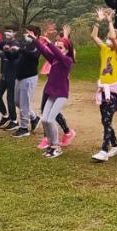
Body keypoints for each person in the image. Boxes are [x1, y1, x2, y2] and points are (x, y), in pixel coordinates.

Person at [89, 10, 117, 162]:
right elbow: (93, 36)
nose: (109, 40)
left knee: (107, 120)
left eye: (113, 39)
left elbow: (112, 36)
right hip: (102, 89)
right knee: (105, 120)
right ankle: (116, 146)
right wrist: (98, 21)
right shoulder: (105, 50)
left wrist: (110, 21)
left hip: (113, 90)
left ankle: (104, 150)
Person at [34, 24, 75, 159]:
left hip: (61, 94)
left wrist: (51, 43)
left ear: (67, 50)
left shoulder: (67, 61)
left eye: (61, 48)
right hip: (51, 92)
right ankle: (51, 146)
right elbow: (46, 52)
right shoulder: (55, 60)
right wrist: (37, 40)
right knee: (45, 119)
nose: (58, 50)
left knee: (51, 119)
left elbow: (55, 52)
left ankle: (56, 147)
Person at [9, 25, 42, 137]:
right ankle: (34, 117)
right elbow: (14, 56)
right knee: (17, 101)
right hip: (19, 77)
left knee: (24, 103)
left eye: (28, 33)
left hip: (29, 77)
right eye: (25, 33)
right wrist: (9, 51)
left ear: (35, 35)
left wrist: (21, 50)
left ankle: (24, 128)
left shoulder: (37, 45)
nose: (25, 35)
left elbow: (34, 56)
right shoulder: (24, 44)